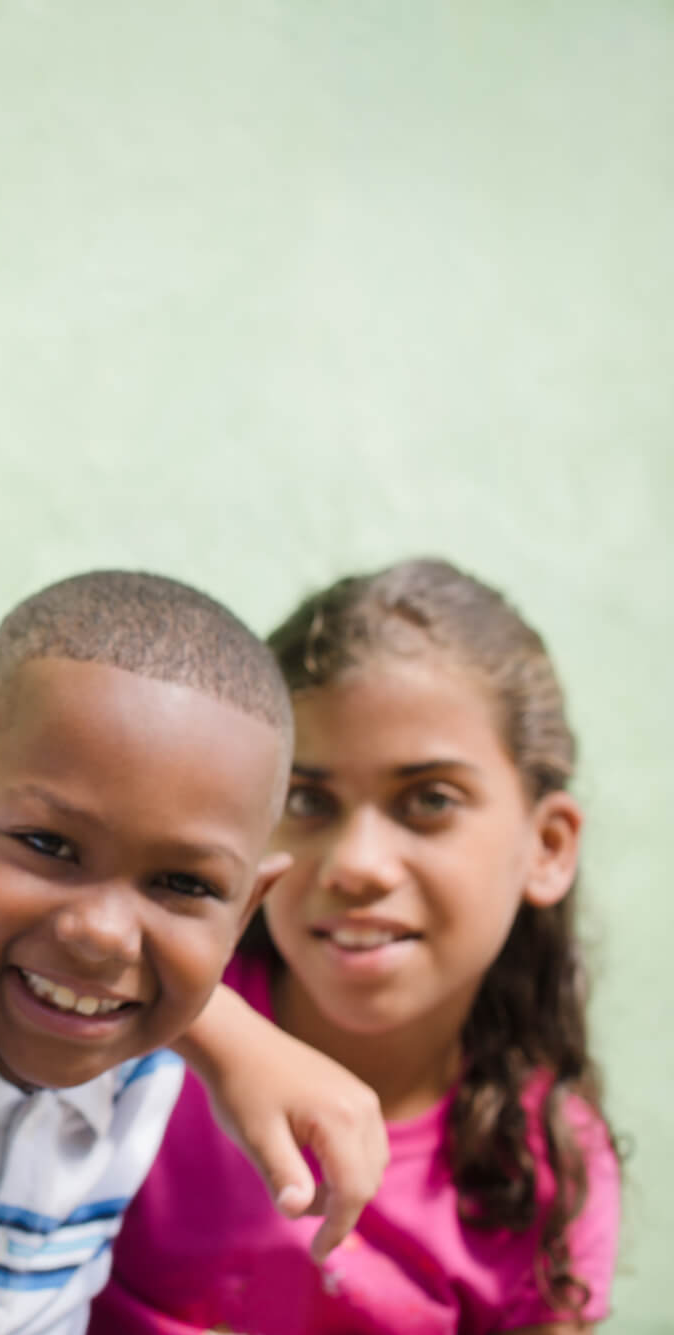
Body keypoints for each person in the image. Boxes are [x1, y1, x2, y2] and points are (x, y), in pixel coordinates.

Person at [0, 571, 387, 1335]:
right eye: (47, 842)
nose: (103, 933)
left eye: (182, 882)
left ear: (248, 906)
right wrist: (231, 1031)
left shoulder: (145, 1071)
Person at [93, 558, 622, 1333]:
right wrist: (223, 1034)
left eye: (430, 800)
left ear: (546, 846)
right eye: (306, 800)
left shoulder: (550, 1169)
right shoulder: (125, 1011)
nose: (356, 865)